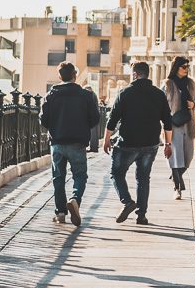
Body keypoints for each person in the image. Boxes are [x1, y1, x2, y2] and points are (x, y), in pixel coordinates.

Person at [104, 62, 173, 226]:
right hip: (150, 144)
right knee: (143, 178)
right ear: (147, 74)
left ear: (134, 74)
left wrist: (107, 139)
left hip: (128, 142)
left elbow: (112, 119)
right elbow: (168, 122)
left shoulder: (125, 93)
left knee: (116, 173)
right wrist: (168, 144)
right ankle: (141, 215)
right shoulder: (158, 94)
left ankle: (127, 202)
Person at [40, 62, 99, 227]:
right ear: (75, 75)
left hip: (57, 142)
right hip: (77, 142)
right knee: (80, 175)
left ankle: (60, 213)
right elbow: (95, 118)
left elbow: (43, 119)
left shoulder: (50, 95)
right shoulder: (85, 95)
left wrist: (56, 126)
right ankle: (75, 200)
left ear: (59, 76)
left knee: (58, 177)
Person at [164, 56, 195, 197]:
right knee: (175, 157)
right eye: (183, 67)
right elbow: (162, 105)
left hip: (189, 124)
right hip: (173, 125)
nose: (186, 69)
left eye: (187, 67)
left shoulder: (191, 84)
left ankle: (176, 177)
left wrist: (194, 105)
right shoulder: (168, 84)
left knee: (188, 158)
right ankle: (177, 188)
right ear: (176, 67)